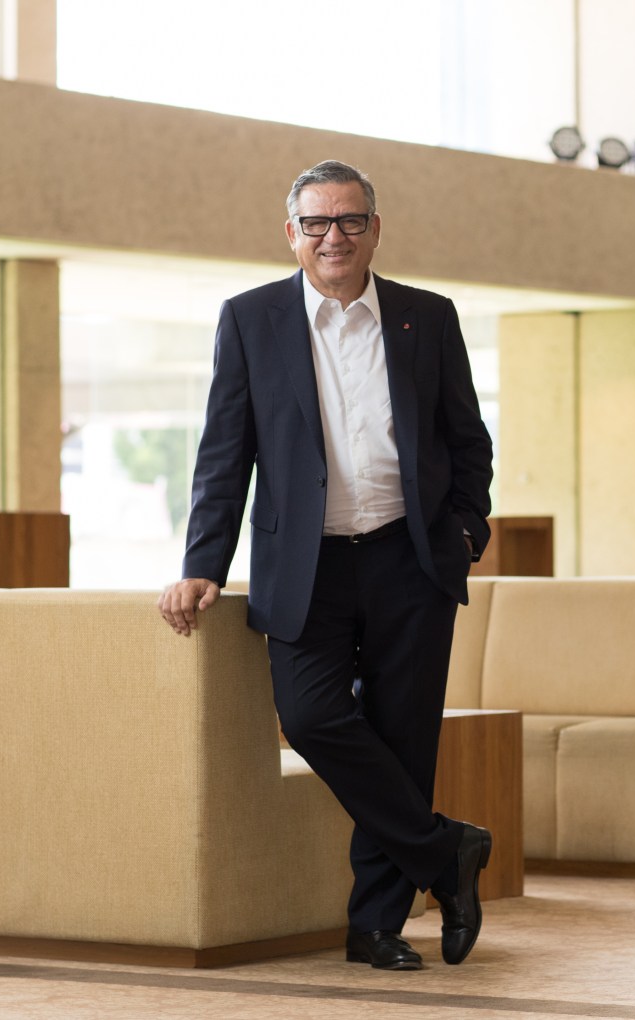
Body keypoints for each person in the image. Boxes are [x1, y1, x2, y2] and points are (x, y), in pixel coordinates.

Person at [158, 159, 495, 971]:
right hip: (304, 567)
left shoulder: (426, 317)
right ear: (292, 234)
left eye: (348, 221)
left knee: (404, 739)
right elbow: (224, 451)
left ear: (375, 229)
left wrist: (464, 533)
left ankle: (375, 926)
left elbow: (466, 439)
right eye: (316, 223)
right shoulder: (252, 319)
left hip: (409, 559)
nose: (332, 237)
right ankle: (445, 852)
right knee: (310, 717)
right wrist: (204, 560)